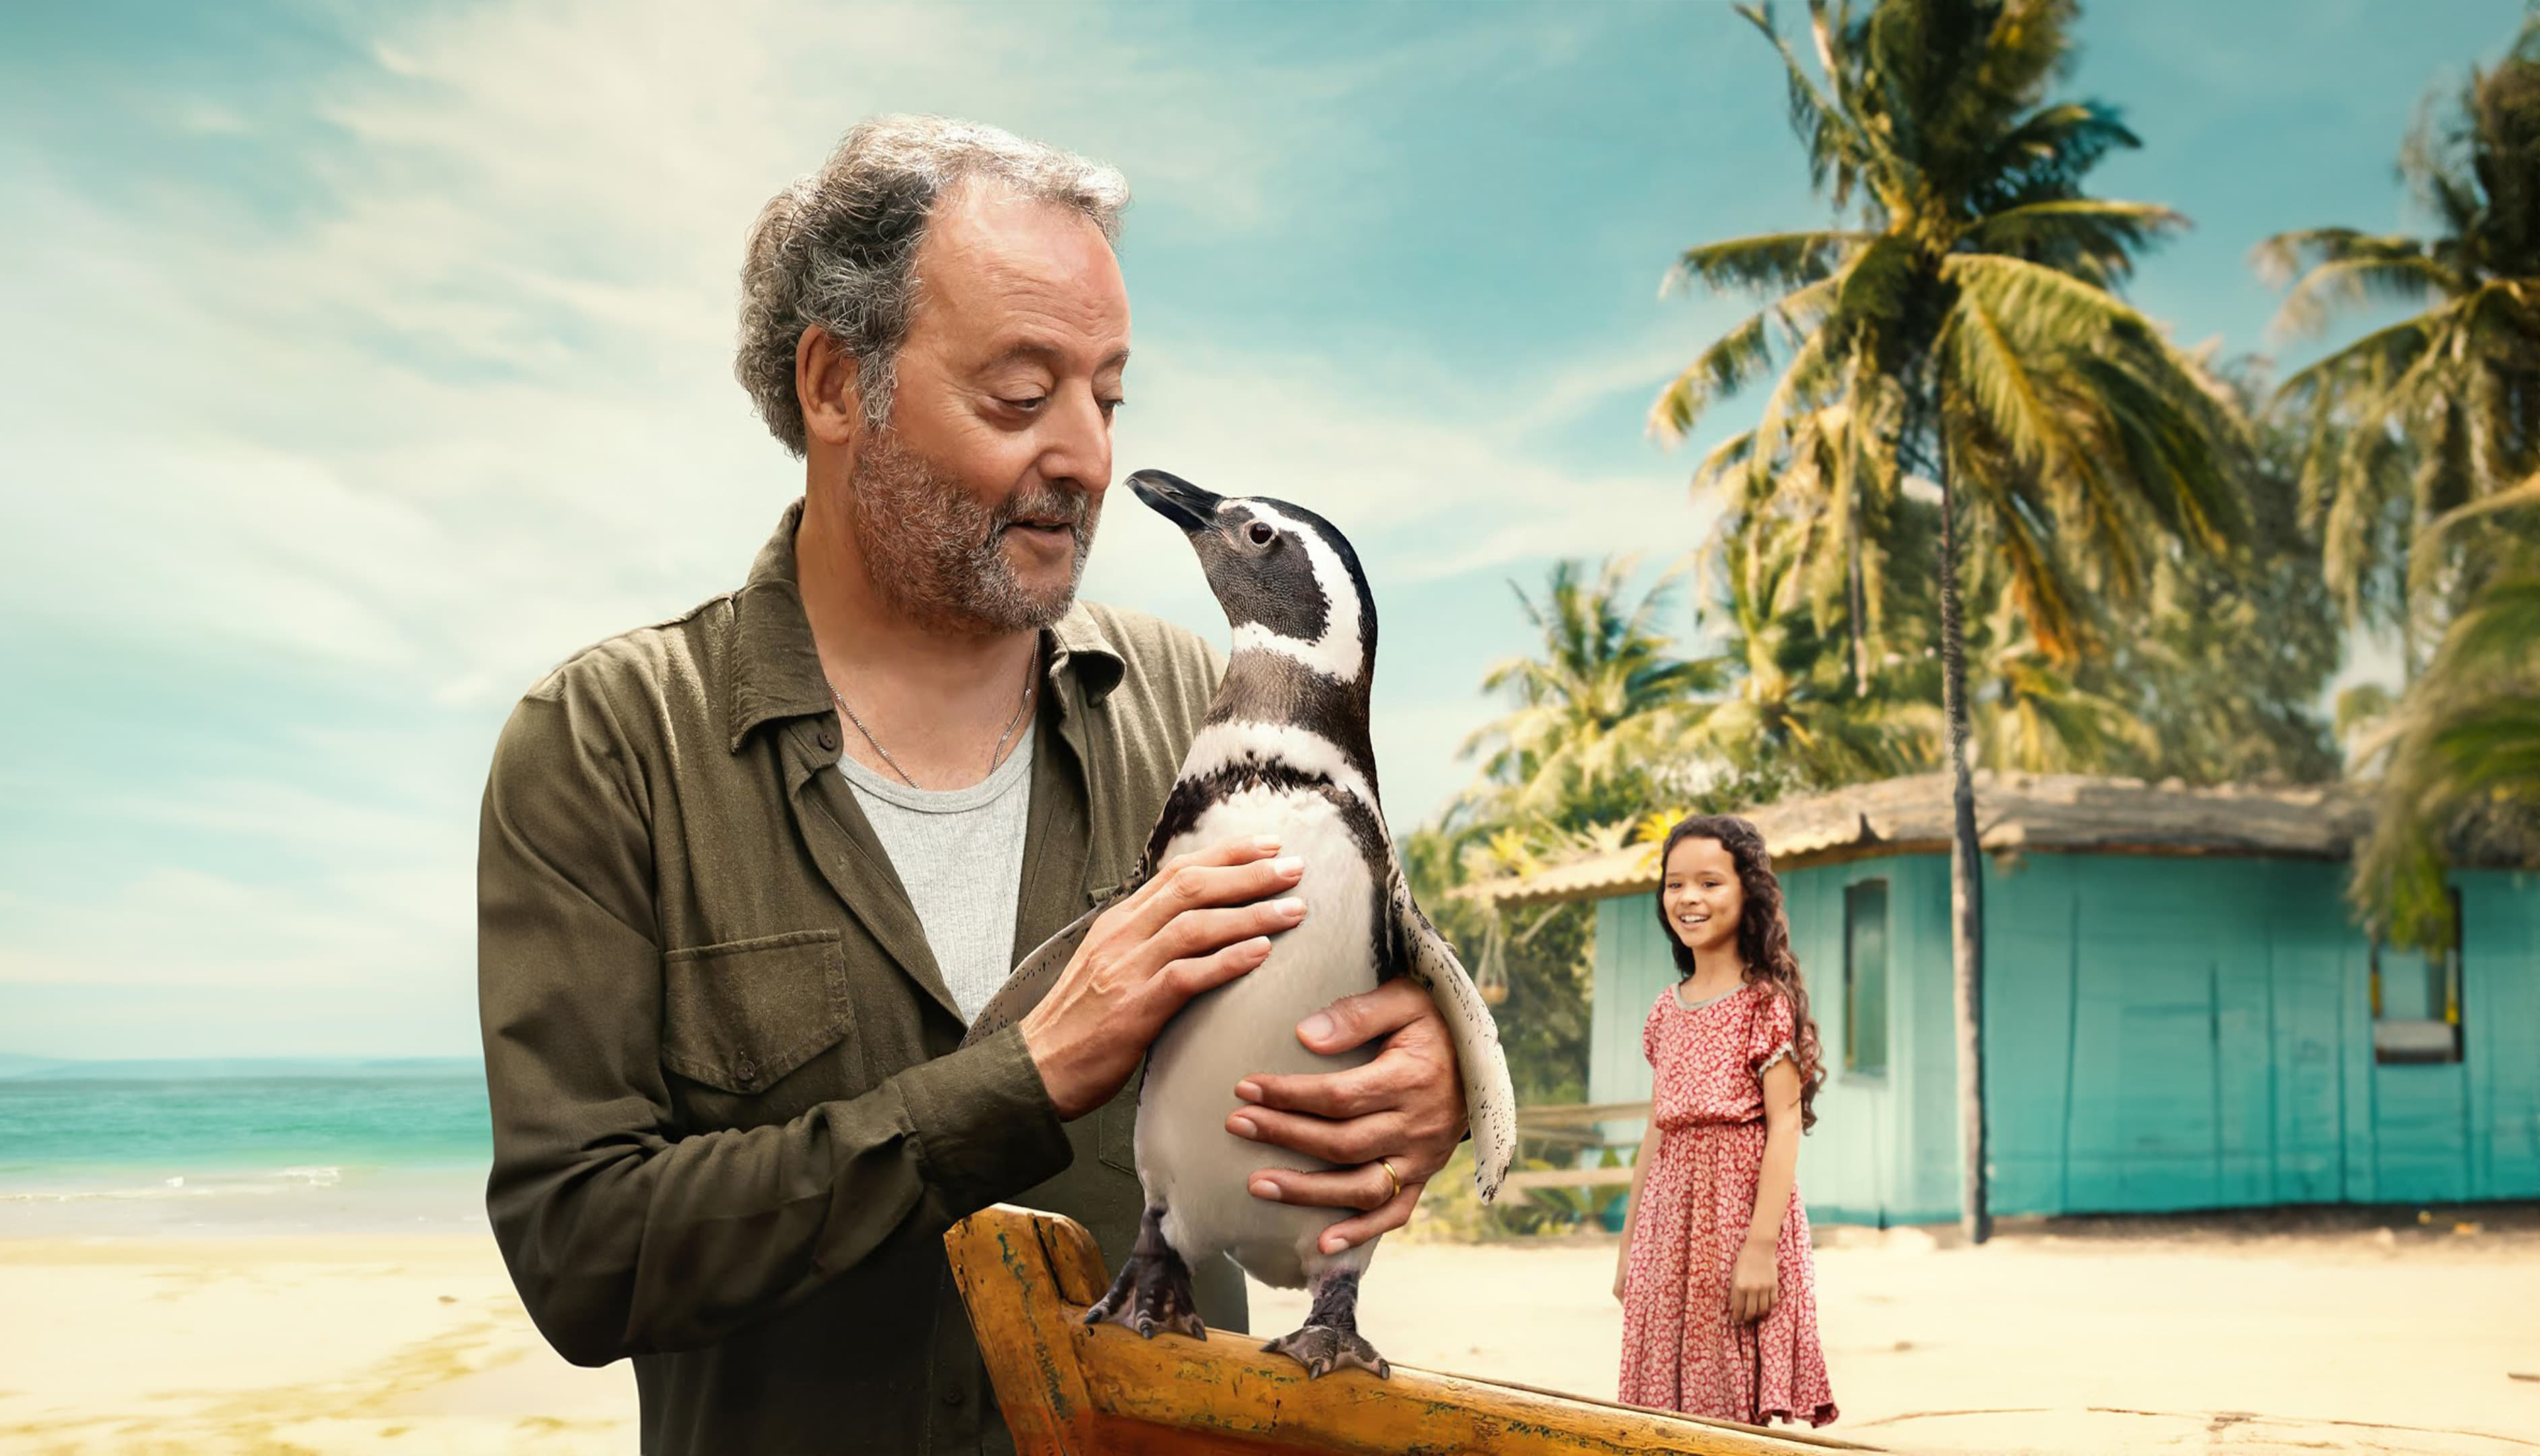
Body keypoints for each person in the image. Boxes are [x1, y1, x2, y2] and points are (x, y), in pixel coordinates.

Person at [473, 115, 1469, 1455]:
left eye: (1107, 397)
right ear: (836, 386)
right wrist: (1019, 1082)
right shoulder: (608, 745)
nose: (1090, 458)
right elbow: (581, 1257)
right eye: (1021, 395)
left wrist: (1423, 1081)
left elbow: (1387, 994)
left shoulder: (1214, 710)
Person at [1610, 813, 1836, 1428]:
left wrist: (1760, 1249)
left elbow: (1784, 1126)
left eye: (1710, 883)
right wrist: (1630, 1246)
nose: (1689, 898)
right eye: (1675, 883)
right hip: (1666, 1223)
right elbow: (1658, 1131)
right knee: (1658, 1404)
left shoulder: (1765, 1002)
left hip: (1737, 1221)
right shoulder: (1665, 1009)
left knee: (1726, 1398)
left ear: (1747, 893)